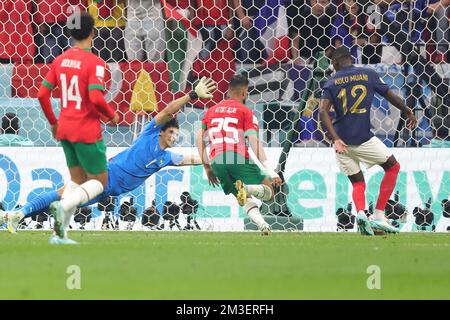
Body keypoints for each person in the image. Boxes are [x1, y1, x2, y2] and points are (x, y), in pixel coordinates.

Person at [1, 77, 217, 241]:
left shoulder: (166, 157)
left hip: (108, 190)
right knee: (63, 194)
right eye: (171, 133)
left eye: (176, 136)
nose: (174, 137)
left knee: (64, 203)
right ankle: (20, 214)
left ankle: (14, 216)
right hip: (104, 175)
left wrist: (216, 159)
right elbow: (169, 111)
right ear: (162, 132)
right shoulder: (150, 132)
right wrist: (192, 96)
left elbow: (193, 158)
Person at [36, 11, 120, 244]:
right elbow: (95, 96)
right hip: (86, 130)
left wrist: (53, 123)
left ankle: (58, 234)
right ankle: (63, 205)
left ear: (70, 33)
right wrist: (112, 116)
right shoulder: (96, 63)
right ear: (93, 32)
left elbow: (42, 94)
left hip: (64, 128)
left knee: (78, 180)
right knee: (100, 183)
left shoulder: (59, 60)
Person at [318, 47, 417, 236]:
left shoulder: (331, 82)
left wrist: (336, 139)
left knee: (357, 183)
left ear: (336, 62)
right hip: (363, 139)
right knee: (392, 167)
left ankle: (362, 213)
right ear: (351, 59)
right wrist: (407, 110)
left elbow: (322, 111)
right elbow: (390, 95)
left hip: (342, 142)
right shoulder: (368, 74)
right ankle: (379, 214)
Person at [197, 74, 282, 236]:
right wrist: (270, 170)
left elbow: (198, 138)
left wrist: (207, 167)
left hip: (216, 160)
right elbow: (253, 141)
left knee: (242, 197)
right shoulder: (245, 111)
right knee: (269, 193)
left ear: (228, 92)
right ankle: (247, 187)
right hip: (236, 156)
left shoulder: (211, 111)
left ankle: (263, 225)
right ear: (245, 93)